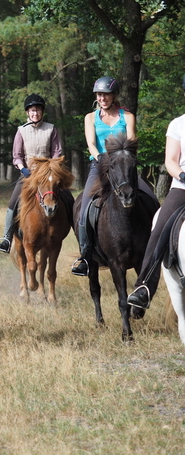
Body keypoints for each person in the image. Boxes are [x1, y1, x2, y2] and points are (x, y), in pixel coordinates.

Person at [71, 76, 158, 276]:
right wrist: (101, 158)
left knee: (151, 199)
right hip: (100, 167)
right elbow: (91, 144)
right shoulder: (90, 118)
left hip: (124, 167)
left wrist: (122, 157)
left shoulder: (127, 116)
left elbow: (132, 139)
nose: (103, 98)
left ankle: (155, 247)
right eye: (100, 95)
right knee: (84, 208)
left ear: (114, 96)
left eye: (106, 95)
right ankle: (85, 255)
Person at [127, 76, 185, 309]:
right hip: (183, 187)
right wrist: (182, 176)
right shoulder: (178, 124)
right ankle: (144, 287)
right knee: (160, 225)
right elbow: (170, 161)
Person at [0, 93, 66, 253]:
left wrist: (52, 168)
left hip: (48, 175)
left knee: (68, 200)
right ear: (27, 112)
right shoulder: (21, 131)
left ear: (42, 112)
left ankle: (79, 237)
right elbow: (17, 155)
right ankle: (6, 237)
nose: (35, 113)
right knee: (13, 203)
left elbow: (57, 152)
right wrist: (23, 169)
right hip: (28, 175)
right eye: (32, 110)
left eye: (38, 110)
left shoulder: (51, 129)